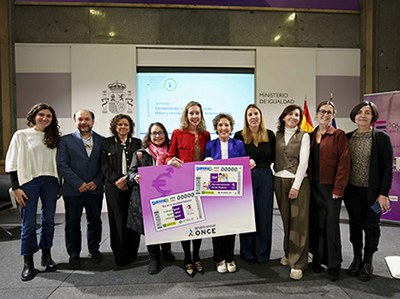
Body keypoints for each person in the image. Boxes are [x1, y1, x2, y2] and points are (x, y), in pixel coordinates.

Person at [5, 103, 61, 281]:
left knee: (49, 221)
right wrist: (16, 187)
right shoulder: (21, 135)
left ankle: (46, 255)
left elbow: (59, 163)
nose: (45, 118)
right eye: (41, 115)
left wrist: (60, 184)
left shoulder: (54, 137)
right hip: (28, 182)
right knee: (28, 223)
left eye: (49, 116)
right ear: (33, 116)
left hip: (51, 181)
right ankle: (28, 262)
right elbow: (12, 162)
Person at [344, 101, 393, 281]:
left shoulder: (381, 138)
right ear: (354, 115)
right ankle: (357, 258)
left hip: (373, 195)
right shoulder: (348, 137)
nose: (362, 115)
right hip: (352, 192)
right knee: (355, 226)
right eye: (359, 112)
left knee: (371, 227)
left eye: (367, 112)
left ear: (373, 116)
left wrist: (384, 193)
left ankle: (368, 260)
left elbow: (388, 168)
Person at [166, 101, 211, 277]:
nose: (194, 116)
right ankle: (186, 257)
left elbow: (208, 155)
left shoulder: (205, 134)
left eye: (197, 113)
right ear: (186, 115)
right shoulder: (178, 133)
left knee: (198, 220)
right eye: (191, 113)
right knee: (185, 221)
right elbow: (170, 154)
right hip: (182, 182)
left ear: (201, 115)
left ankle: (197, 255)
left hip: (200, 184)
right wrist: (170, 160)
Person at [57, 109, 104, 268]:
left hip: (95, 189)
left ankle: (94, 249)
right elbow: (62, 165)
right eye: (80, 119)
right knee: (72, 223)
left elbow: (105, 166)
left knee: (95, 221)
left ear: (93, 121)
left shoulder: (102, 141)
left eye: (87, 119)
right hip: (73, 190)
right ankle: (74, 253)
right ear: (75, 121)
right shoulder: (66, 141)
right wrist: (79, 183)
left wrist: (96, 181)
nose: (84, 122)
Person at [308, 100, 350, 282]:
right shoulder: (310, 135)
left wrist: (339, 188)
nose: (325, 115)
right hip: (312, 187)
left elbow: (344, 163)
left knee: (331, 226)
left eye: (329, 112)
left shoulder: (338, 135)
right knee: (315, 224)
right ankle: (317, 258)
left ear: (333, 115)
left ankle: (334, 264)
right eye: (322, 111)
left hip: (331, 188)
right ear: (317, 113)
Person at [127, 122, 176, 275]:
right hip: (147, 196)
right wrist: (135, 177)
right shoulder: (141, 153)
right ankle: (154, 256)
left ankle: (166, 249)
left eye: (161, 132)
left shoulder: (171, 152)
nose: (157, 136)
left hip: (167, 194)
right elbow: (131, 173)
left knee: (167, 222)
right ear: (149, 135)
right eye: (154, 133)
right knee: (151, 227)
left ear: (165, 134)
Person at [204, 113, 246, 274]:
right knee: (217, 227)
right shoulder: (210, 145)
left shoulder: (239, 144)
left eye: (226, 125)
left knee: (231, 226)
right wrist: (206, 162)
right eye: (220, 125)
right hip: (215, 193)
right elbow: (204, 169)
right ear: (216, 128)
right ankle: (219, 258)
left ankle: (230, 257)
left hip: (234, 193)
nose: (223, 128)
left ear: (231, 127)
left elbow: (243, 167)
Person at [233, 104, 275, 265]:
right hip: (246, 177)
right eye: (250, 114)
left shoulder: (269, 135)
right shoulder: (239, 136)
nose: (253, 117)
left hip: (265, 176)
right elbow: (234, 157)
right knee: (247, 216)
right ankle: (247, 252)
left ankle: (262, 254)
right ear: (246, 118)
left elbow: (273, 158)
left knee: (264, 216)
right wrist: (245, 162)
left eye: (256, 113)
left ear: (260, 116)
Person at [274, 104, 310, 280]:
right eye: (290, 114)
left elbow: (304, 163)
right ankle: (288, 254)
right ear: (283, 117)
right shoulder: (277, 135)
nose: (293, 117)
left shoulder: (304, 136)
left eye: (296, 115)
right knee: (286, 219)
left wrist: (296, 186)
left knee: (299, 222)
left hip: (298, 182)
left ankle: (299, 263)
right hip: (279, 180)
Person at [101, 114, 142, 267]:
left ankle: (132, 252)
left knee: (132, 219)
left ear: (130, 127)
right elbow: (104, 165)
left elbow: (140, 164)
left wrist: (126, 178)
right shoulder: (107, 143)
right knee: (117, 221)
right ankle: (120, 254)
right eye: (119, 124)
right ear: (115, 127)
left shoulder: (137, 143)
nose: (123, 127)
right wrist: (117, 180)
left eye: (126, 124)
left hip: (133, 186)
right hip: (113, 188)